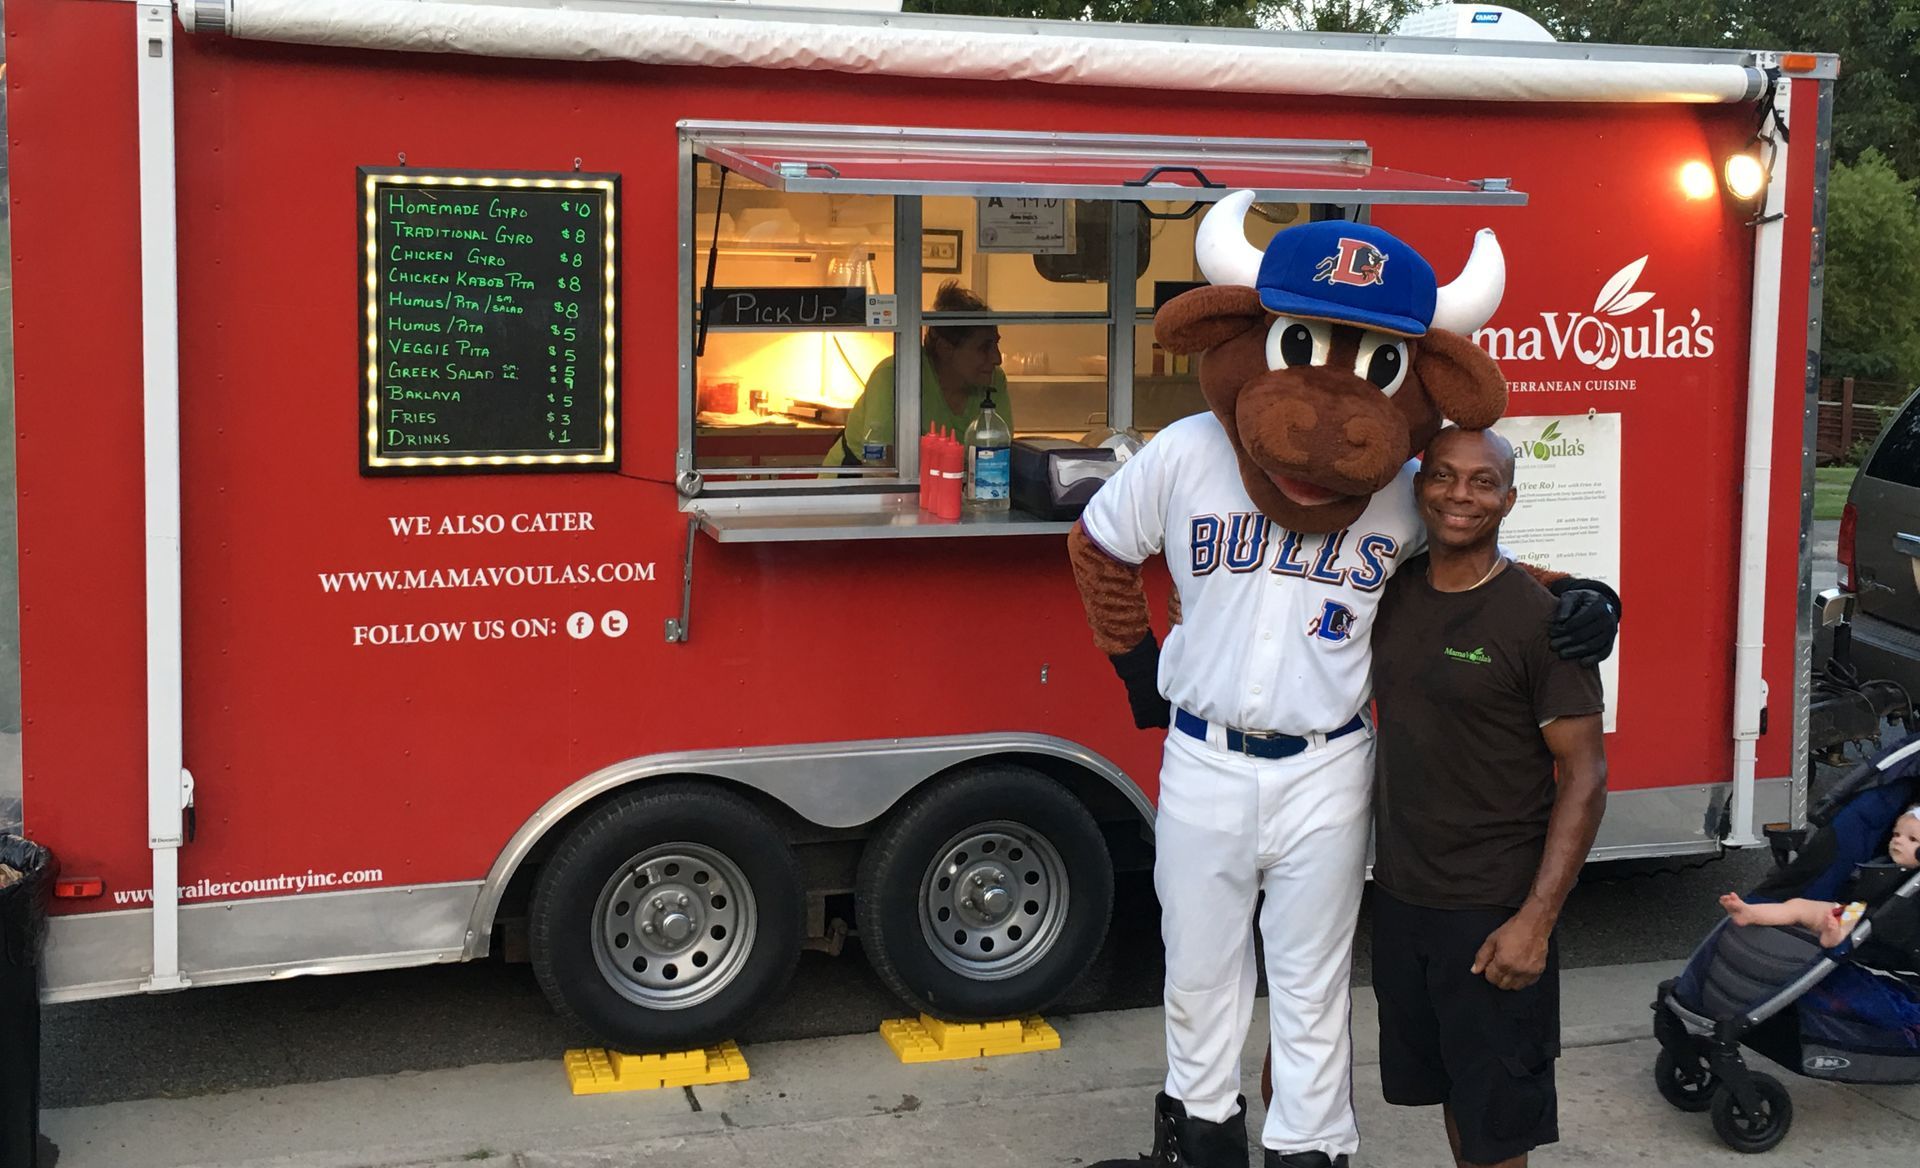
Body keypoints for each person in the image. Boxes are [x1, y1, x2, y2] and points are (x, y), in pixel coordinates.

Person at [1368, 425, 1609, 1168]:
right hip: (1402, 900)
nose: (1460, 495)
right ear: (1419, 487)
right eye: (1444, 475)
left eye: (1482, 482)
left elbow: (1586, 777)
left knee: (1498, 1124)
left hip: (1492, 908)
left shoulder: (1541, 622)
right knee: (1455, 1097)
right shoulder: (1390, 593)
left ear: (1509, 499)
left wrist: (1536, 921)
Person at [823, 280, 1009, 468]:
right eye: (984, 348)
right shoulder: (895, 376)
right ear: (945, 349)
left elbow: (1000, 453)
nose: (997, 358)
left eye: (996, 344)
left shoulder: (993, 379)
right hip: (856, 480)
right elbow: (880, 461)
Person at [1721, 805, 1920, 947]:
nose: (1899, 841)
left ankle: (1835, 935)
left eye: (1912, 839)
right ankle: (1751, 912)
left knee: (1842, 918)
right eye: (1896, 835)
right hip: (1856, 911)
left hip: (1890, 928)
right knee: (1798, 906)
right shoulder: (1882, 862)